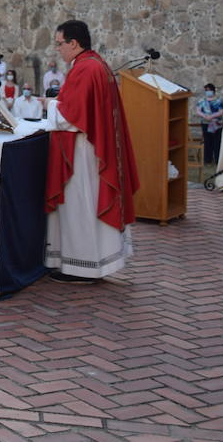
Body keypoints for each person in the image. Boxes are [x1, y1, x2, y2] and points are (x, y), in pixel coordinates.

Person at [45, 20, 139, 282]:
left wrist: (49, 105)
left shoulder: (86, 69)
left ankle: (83, 266)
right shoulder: (94, 64)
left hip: (83, 151)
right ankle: (89, 261)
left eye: (59, 44)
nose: (58, 50)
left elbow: (72, 116)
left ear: (73, 43)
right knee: (83, 204)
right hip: (93, 146)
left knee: (81, 205)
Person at [195, 84, 223, 166]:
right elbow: (198, 110)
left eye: (209, 90)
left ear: (213, 90)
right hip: (205, 123)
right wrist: (205, 116)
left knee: (217, 141)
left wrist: (212, 116)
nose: (207, 92)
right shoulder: (202, 101)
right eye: (206, 90)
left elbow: (221, 111)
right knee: (207, 141)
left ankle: (217, 159)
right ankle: (207, 159)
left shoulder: (219, 100)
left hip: (217, 124)